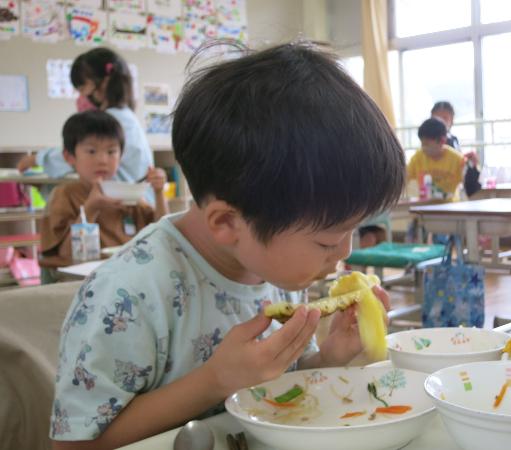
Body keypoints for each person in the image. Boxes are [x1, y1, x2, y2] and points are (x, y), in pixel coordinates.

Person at [50, 42, 404, 449]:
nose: (344, 252)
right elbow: (73, 444)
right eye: (327, 239)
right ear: (227, 222)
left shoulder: (275, 266)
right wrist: (214, 381)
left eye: (353, 230)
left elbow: (279, 380)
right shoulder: (128, 294)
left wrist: (327, 358)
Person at [39, 111, 167, 281]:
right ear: (69, 157)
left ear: (121, 155)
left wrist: (159, 193)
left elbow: (162, 235)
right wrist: (91, 209)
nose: (102, 160)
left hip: (129, 276)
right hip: (83, 283)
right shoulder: (64, 195)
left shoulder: (128, 193)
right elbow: (63, 255)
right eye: (91, 151)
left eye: (111, 151)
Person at [18, 48, 153, 184]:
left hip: (128, 200)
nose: (81, 96)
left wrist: (37, 159)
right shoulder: (125, 115)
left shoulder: (112, 121)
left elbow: (79, 154)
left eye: (82, 88)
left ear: (105, 82)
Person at [431, 101, 481, 197]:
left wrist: (469, 162)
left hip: (450, 193)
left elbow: (460, 164)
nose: (441, 122)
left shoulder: (453, 140)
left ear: (452, 120)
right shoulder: (427, 144)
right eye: (437, 118)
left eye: (445, 118)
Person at [407, 117, 464, 199]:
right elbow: (404, 178)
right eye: (422, 144)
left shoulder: (457, 159)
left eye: (426, 144)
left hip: (450, 208)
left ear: (442, 141)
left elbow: (469, 185)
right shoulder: (418, 157)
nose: (423, 147)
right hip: (424, 208)